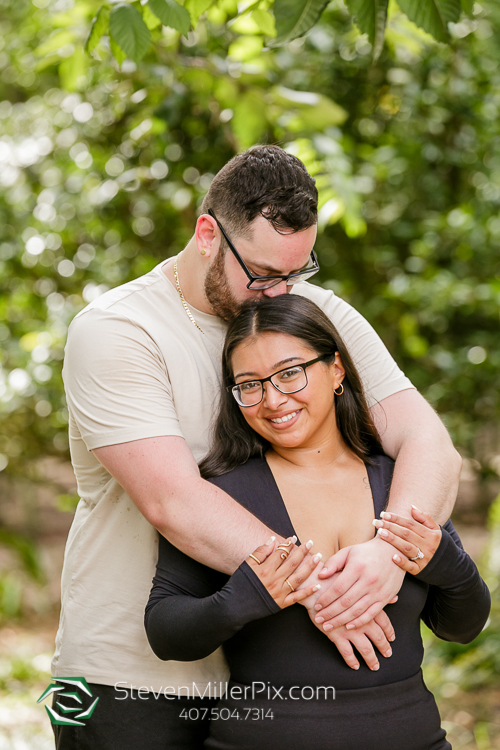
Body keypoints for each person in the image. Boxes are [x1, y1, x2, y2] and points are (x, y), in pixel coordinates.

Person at [52, 145, 462, 748]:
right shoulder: (118, 331)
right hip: (130, 678)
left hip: (259, 685)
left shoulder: (313, 313)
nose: (280, 292)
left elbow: (428, 440)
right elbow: (174, 501)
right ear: (208, 234)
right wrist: (327, 589)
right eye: (264, 274)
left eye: (296, 273)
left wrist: (387, 555)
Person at [145, 294, 490, 750]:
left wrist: (440, 559)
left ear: (337, 370)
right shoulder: (223, 495)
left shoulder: (400, 482)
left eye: (290, 373)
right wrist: (245, 597)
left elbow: (462, 625)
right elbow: (166, 631)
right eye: (250, 384)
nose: (272, 400)